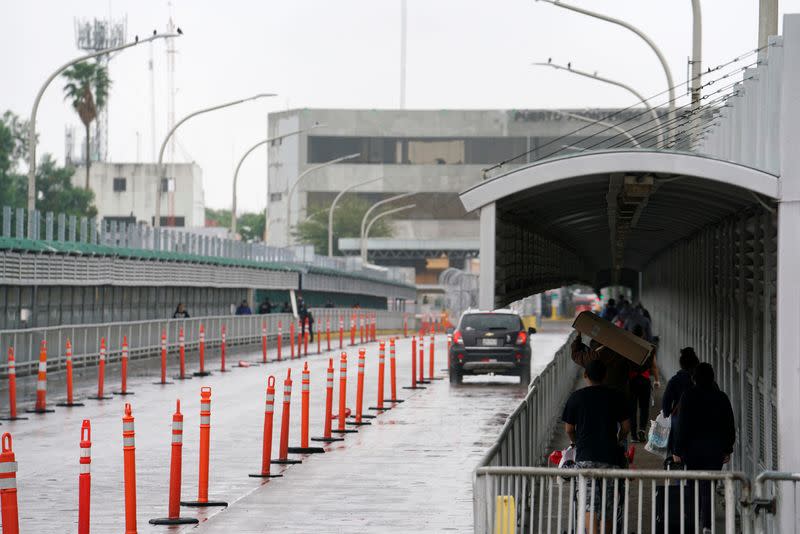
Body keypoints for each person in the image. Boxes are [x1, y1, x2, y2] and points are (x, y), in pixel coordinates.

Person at [562, 360, 631, 534]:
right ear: (605, 375)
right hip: (610, 457)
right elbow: (626, 427)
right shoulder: (617, 395)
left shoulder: (576, 397)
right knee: (608, 503)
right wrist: (617, 439)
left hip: (585, 457)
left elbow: (569, 429)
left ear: (585, 375)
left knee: (588, 503)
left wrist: (578, 442)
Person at [673, 362, 736, 531]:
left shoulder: (688, 396)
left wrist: (677, 450)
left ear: (694, 378)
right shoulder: (721, 397)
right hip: (714, 450)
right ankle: (707, 525)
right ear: (712, 378)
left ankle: (693, 522)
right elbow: (729, 424)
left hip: (692, 451)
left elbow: (682, 425)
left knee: (693, 485)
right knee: (709, 486)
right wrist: (727, 448)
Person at [661, 347, 700, 455]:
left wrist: (667, 414)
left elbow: (666, 402)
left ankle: (674, 458)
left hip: (678, 418)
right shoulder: (700, 381)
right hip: (698, 420)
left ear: (681, 364)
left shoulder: (675, 380)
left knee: (675, 445)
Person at [628, 324, 660, 442]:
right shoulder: (650, 348)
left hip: (631, 381)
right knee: (644, 407)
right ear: (642, 334)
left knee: (631, 408)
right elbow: (654, 366)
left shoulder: (627, 347)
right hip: (644, 381)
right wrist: (656, 380)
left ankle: (633, 435)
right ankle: (642, 430)